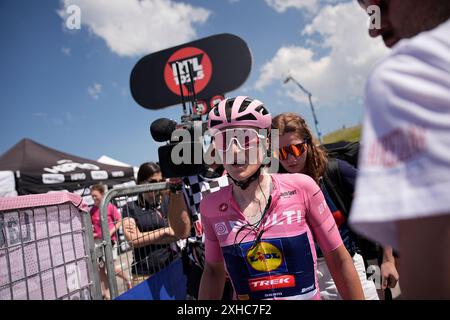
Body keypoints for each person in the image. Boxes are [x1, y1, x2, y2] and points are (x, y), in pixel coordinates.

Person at [198, 96, 365, 300]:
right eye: (223, 140)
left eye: (245, 138)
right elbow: (213, 272)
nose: (234, 150)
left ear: (266, 142)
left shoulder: (302, 187)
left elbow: (338, 260)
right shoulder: (210, 206)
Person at [350, 0, 450, 298]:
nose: (375, 28)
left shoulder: (408, 74)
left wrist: (388, 259)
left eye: (378, 4)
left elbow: (434, 283)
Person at [272, 112, 399, 300]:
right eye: (282, 153)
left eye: (296, 149)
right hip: (306, 274)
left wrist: (388, 260)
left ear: (308, 143)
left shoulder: (336, 170)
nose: (290, 159)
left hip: (353, 261)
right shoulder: (274, 186)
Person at [121, 162, 180, 287]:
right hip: (143, 272)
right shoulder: (130, 208)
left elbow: (177, 233)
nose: (157, 186)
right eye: (152, 182)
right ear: (140, 182)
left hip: (172, 264)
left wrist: (144, 238)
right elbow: (133, 240)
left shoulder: (168, 201)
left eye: (160, 181)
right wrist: (164, 232)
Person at [90, 184, 130, 299]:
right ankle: (107, 295)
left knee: (110, 267)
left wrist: (110, 232)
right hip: (98, 243)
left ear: (102, 195)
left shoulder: (109, 207)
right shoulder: (92, 210)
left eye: (95, 196)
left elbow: (119, 221)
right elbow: (93, 227)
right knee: (101, 269)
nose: (93, 199)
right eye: (92, 196)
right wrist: (94, 234)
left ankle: (127, 279)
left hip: (110, 242)